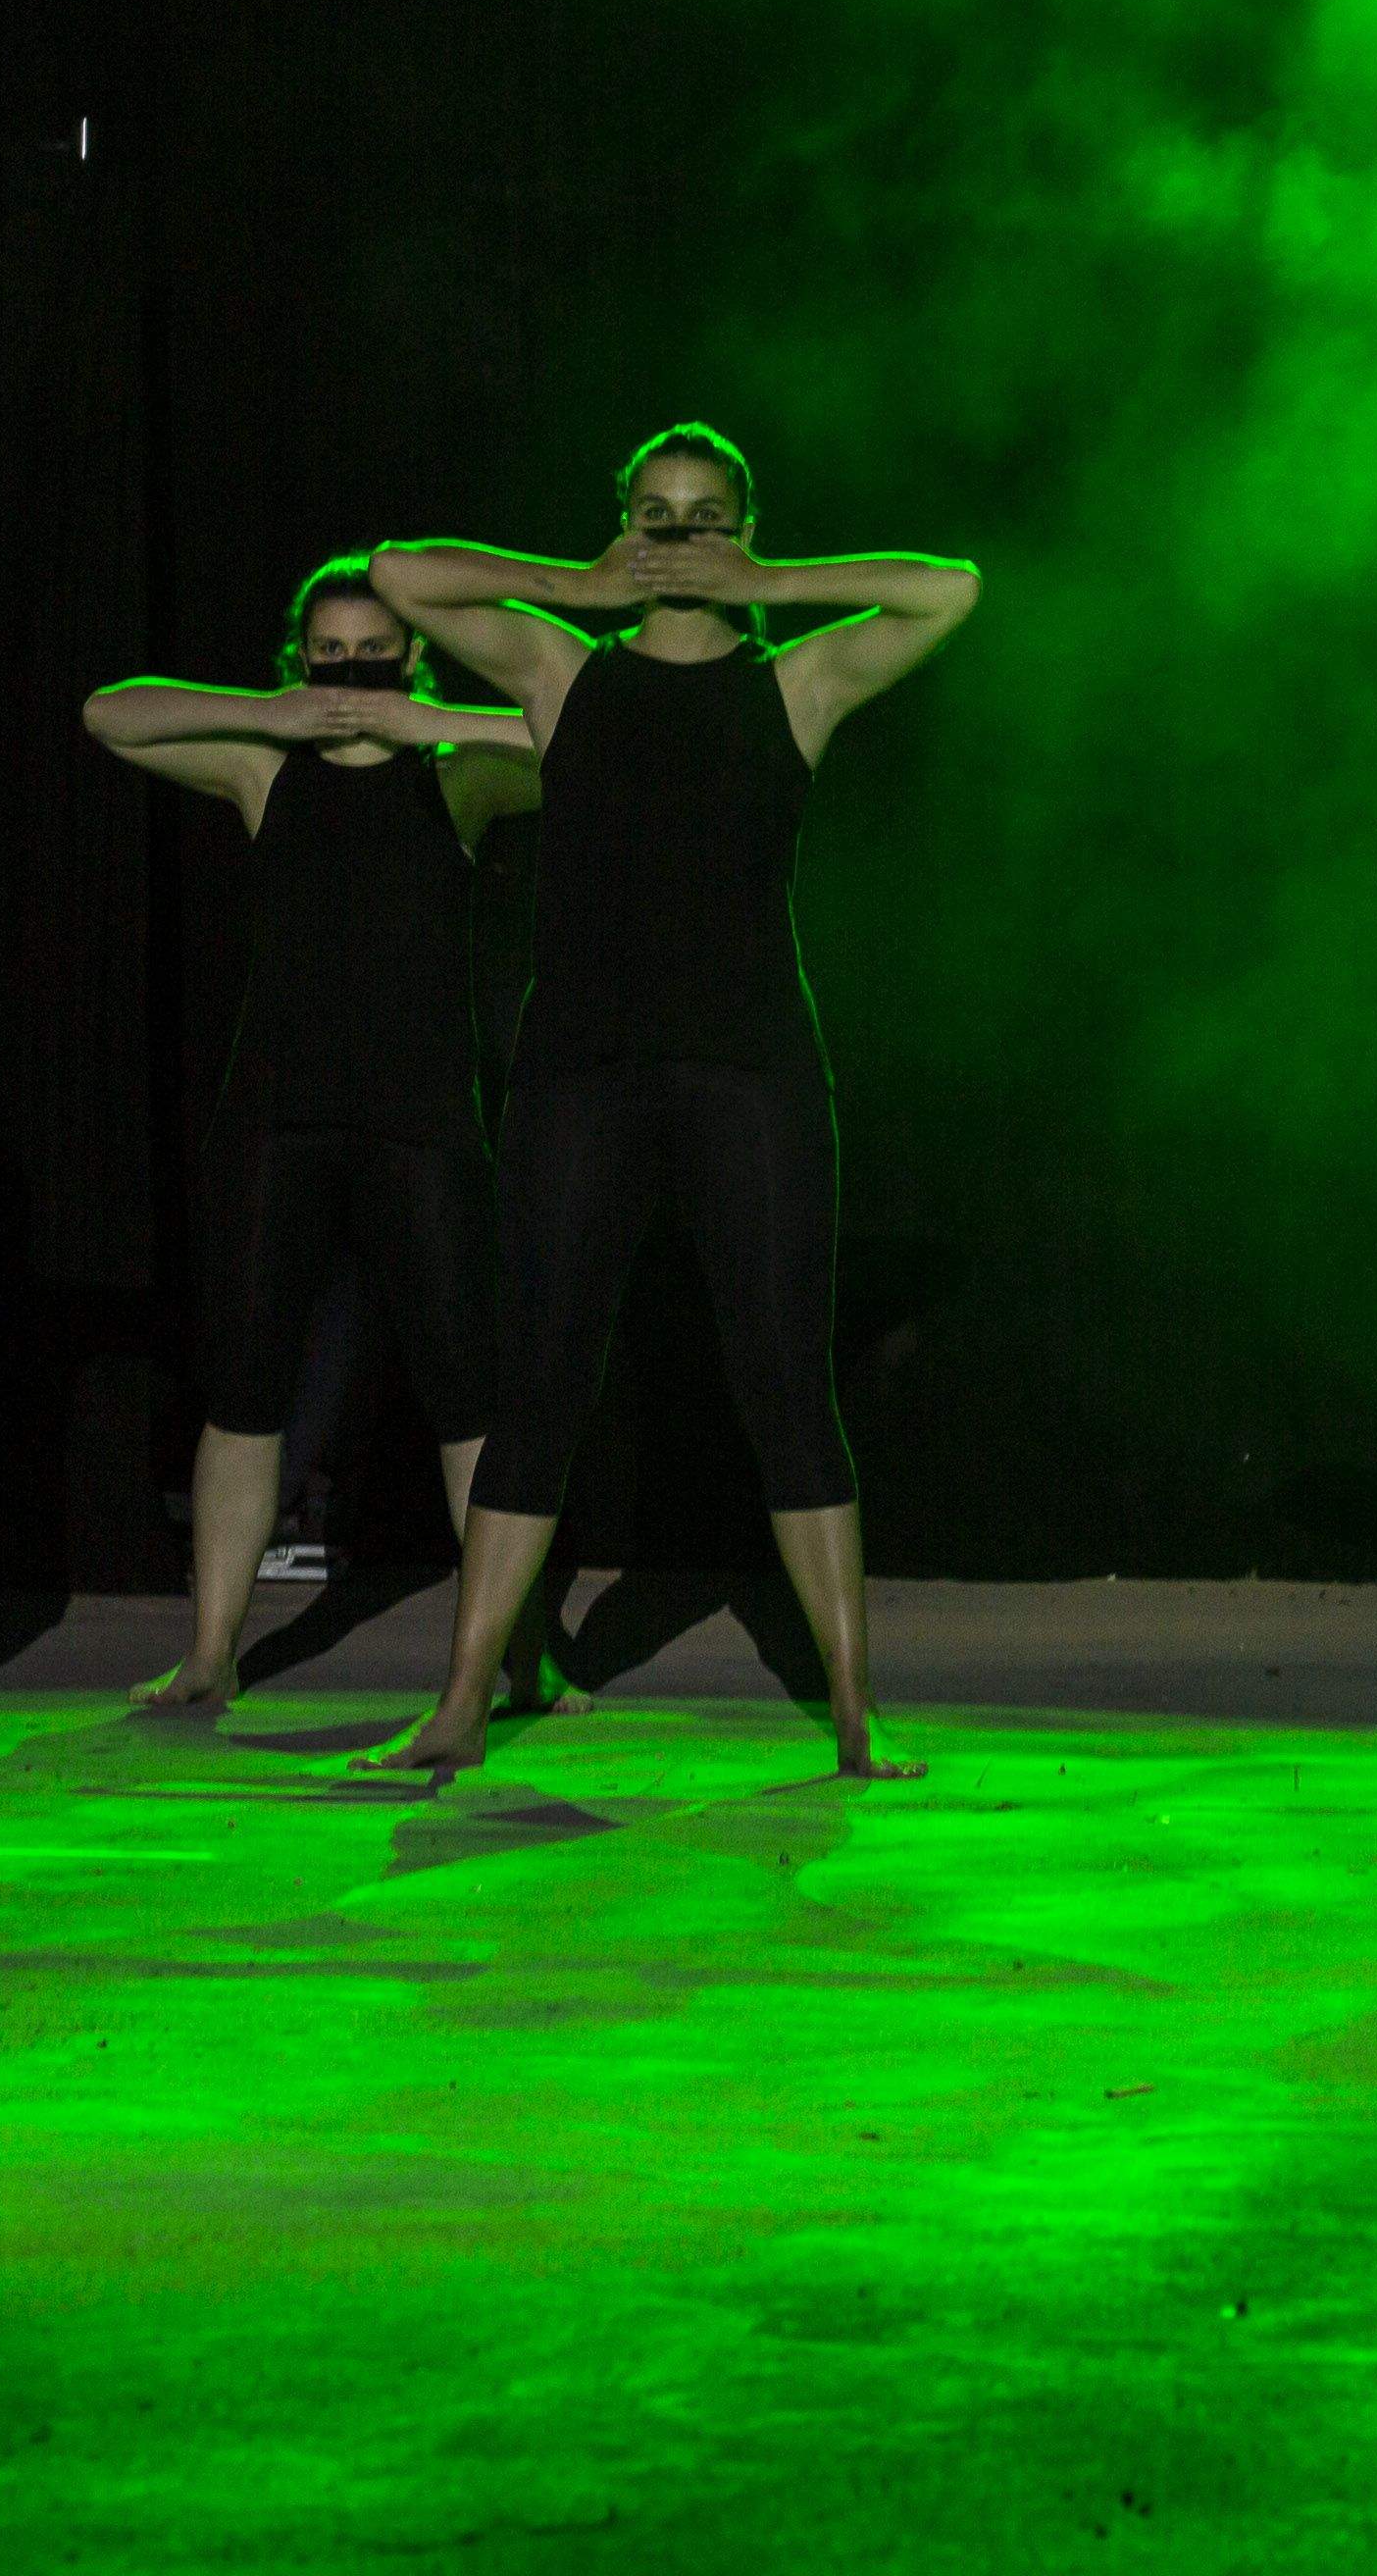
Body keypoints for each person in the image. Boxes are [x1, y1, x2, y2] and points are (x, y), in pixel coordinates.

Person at [361, 425, 979, 1782]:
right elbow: (399, 572)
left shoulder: (797, 684)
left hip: (753, 1068)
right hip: (583, 1067)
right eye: (657, 514)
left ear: (745, 524)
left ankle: (858, 1715)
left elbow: (952, 586)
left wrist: (765, 572)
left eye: (705, 516)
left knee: (785, 1385)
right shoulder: (557, 666)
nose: (679, 537)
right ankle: (463, 1703)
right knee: (541, 1385)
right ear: (621, 523)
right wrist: (584, 584)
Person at [82, 557, 539, 1712]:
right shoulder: (262, 770)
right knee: (244, 1391)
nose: (350, 680)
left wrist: (421, 716)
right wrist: (264, 712)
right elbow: (108, 713)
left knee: (468, 1396)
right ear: (299, 663)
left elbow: (577, 737)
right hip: (276, 1117)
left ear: (411, 659)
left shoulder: (458, 776)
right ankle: (210, 1654)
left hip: (422, 1119)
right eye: (328, 658)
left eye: (372, 656)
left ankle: (514, 1658)